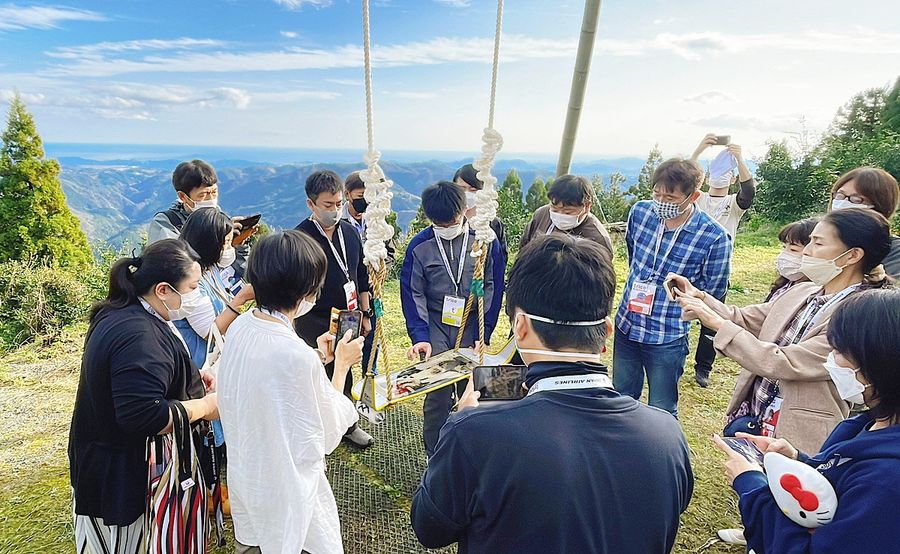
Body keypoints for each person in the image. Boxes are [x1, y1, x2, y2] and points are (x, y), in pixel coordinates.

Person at [411, 235, 693, 554]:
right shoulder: (667, 433)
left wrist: (459, 420)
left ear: (520, 327)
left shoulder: (473, 433)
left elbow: (429, 529)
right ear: (607, 331)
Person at [673, 208, 893, 454]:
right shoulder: (804, 291)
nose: (807, 250)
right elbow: (747, 319)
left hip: (799, 432)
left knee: (783, 487)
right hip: (757, 414)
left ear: (852, 255)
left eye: (818, 243)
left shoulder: (857, 316)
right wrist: (700, 298)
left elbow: (785, 362)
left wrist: (716, 323)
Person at [713, 288, 900, 554]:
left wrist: (751, 486)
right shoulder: (869, 424)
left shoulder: (885, 484)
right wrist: (800, 461)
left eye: (838, 351)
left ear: (878, 364)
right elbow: (841, 483)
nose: (830, 360)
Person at [218, 230, 365, 554]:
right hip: (289, 497)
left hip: (248, 480)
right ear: (307, 291)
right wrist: (339, 366)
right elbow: (327, 432)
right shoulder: (294, 355)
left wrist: (318, 356)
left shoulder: (242, 327)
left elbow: (269, 379)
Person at [68, 239, 219, 553]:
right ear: (163, 289)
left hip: (100, 460)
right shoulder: (139, 334)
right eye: (192, 288)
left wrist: (188, 382)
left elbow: (142, 380)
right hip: (122, 474)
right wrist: (204, 405)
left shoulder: (124, 312)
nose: (196, 295)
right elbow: (143, 415)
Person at [613, 158, 732, 417]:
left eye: (670, 196)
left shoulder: (714, 237)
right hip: (627, 323)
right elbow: (635, 257)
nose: (661, 201)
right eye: (657, 193)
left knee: (662, 408)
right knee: (620, 399)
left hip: (666, 334)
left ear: (694, 196)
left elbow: (712, 291)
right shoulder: (641, 213)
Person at [400, 181, 498, 456]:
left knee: (475, 386)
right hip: (435, 324)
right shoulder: (420, 246)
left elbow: (492, 284)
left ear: (464, 211)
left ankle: (474, 450)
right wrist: (420, 336)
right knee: (438, 391)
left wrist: (484, 331)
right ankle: (436, 453)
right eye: (439, 224)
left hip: (470, 323)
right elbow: (413, 291)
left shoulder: (484, 241)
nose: (447, 228)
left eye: (451, 221)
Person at [295, 170, 374, 448]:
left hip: (348, 315)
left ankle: (347, 423)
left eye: (339, 204)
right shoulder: (300, 239)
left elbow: (360, 276)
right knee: (316, 372)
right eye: (328, 205)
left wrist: (365, 313)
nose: (335, 210)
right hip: (311, 317)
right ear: (311, 204)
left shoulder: (351, 233)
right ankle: (315, 429)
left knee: (346, 367)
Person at [689, 135, 757, 387]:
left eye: (726, 173)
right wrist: (698, 150)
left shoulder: (733, 204)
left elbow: (748, 191)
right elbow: (682, 180)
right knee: (680, 311)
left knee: (711, 319)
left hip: (717, 269)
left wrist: (739, 158)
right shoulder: (698, 198)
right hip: (689, 264)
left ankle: (703, 367)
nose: (719, 177)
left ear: (731, 179)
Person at [147, 159, 256, 276]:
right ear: (183, 196)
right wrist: (217, 239)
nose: (210, 199)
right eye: (203, 195)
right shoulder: (166, 223)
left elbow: (237, 271)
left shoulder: (219, 217)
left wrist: (235, 244)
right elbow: (172, 265)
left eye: (214, 192)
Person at [342, 171, 397, 373]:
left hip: (372, 291)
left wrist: (378, 273)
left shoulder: (377, 222)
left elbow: (390, 252)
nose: (363, 203)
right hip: (347, 291)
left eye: (368, 198)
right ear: (347, 194)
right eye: (359, 198)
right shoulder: (339, 224)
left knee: (371, 335)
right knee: (345, 337)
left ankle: (369, 376)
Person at [453, 163, 508, 338]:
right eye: (461, 188)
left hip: (478, 301)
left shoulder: (492, 224)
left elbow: (498, 269)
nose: (467, 194)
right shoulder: (447, 219)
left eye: (473, 189)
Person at [827, 166, 900, 278]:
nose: (842, 203)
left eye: (856, 200)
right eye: (839, 196)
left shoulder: (895, 251)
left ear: (879, 206)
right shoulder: (818, 239)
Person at [519, 174, 612, 253]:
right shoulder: (541, 215)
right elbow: (524, 247)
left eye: (567, 212)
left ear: (587, 206)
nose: (559, 215)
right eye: (555, 209)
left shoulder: (598, 238)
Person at [765, 218, 817, 302]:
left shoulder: (814, 295)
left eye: (793, 249)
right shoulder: (785, 285)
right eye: (784, 247)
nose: (785, 254)